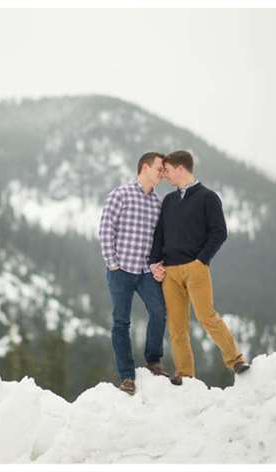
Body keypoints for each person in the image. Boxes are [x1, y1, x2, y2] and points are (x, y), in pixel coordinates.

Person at [149, 150, 249, 386]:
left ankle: (235, 360)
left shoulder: (208, 197)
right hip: (170, 273)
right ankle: (185, 375)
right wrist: (154, 263)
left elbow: (219, 232)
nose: (165, 176)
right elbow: (159, 235)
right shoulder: (169, 201)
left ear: (181, 169)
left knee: (206, 317)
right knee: (177, 326)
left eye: (168, 171)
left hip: (196, 268)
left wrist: (201, 260)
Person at [97, 152, 170, 395]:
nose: (162, 173)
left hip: (145, 272)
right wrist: (112, 263)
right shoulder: (121, 194)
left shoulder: (157, 203)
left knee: (159, 312)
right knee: (121, 322)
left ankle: (153, 361)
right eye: (159, 168)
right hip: (121, 271)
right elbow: (106, 228)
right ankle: (127, 376)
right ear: (145, 167)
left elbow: (158, 240)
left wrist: (158, 265)